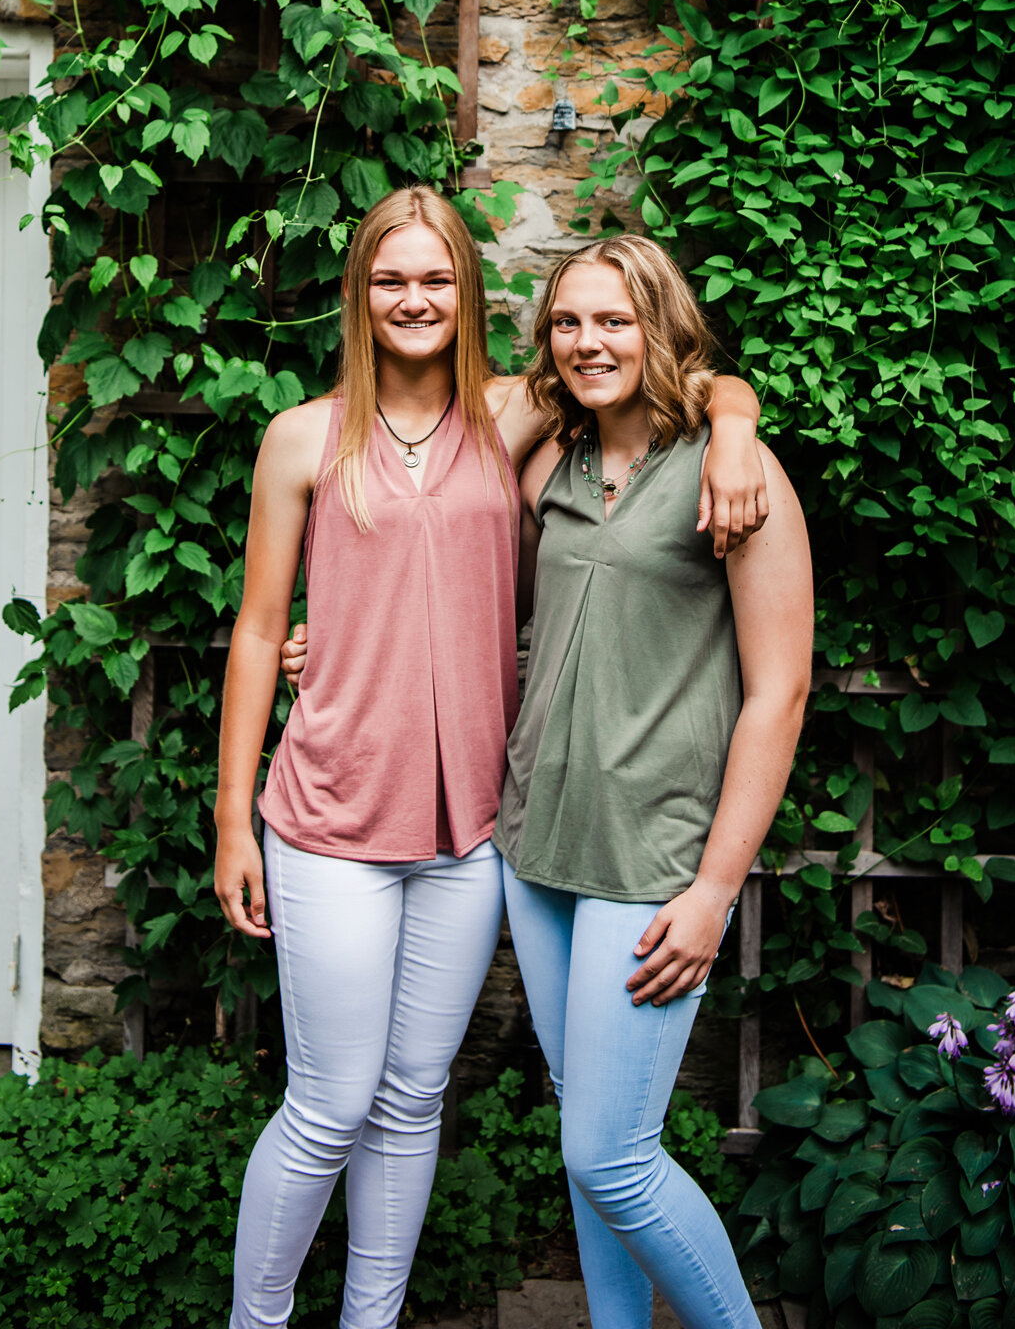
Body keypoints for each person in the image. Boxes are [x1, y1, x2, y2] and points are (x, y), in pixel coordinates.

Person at [215, 183, 767, 1329]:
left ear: (466, 291)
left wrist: (733, 424)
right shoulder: (302, 436)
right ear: (358, 293)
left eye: (435, 278)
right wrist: (231, 818)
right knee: (327, 1103)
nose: (412, 298)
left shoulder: (510, 414)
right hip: (327, 811)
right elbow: (263, 628)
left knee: (415, 1098)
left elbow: (682, 364)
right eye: (388, 278)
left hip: (474, 828)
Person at [494, 236, 813, 1329]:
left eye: (615, 319)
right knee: (587, 1145)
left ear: (661, 326)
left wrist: (713, 890)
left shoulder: (736, 476)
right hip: (536, 841)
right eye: (568, 321)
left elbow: (778, 692)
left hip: (653, 853)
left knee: (610, 1150)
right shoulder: (551, 458)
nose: (589, 341)